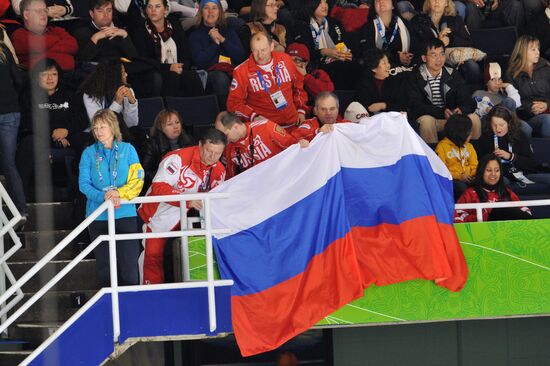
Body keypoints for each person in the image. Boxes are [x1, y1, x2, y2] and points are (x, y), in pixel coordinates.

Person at [138, 128, 227, 284]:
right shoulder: (177, 158)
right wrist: (186, 199)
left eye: (217, 154)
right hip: (158, 213)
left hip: (190, 217)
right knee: (153, 255)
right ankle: (151, 294)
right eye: (208, 151)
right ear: (200, 145)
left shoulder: (219, 170)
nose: (212, 157)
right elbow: (159, 187)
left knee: (193, 254)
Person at [79, 109, 144, 286]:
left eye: (102, 126)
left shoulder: (128, 149)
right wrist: (104, 196)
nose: (98, 131)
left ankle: (130, 308)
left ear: (112, 127)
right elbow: (83, 184)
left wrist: (118, 193)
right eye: (95, 127)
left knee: (129, 268)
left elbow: (138, 180)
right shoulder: (89, 153)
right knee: (105, 268)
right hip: (98, 215)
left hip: (124, 214)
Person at [16, 58, 83, 202]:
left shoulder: (70, 93)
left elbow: (81, 119)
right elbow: (27, 121)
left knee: (87, 141)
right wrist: (55, 135)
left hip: (67, 135)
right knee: (28, 143)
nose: (50, 78)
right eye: (44, 74)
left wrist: (66, 131)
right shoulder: (29, 95)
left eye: (54, 74)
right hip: (39, 137)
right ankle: (21, 197)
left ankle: (82, 193)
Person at [407, 38, 480, 144]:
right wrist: (441, 112)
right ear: (424, 58)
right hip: (434, 120)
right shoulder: (415, 76)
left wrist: (461, 109)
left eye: (442, 54)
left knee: (474, 118)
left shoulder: (453, 74)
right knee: (426, 121)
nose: (439, 59)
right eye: (434, 55)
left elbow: (468, 100)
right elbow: (415, 106)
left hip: (453, 119)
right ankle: (434, 157)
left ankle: (474, 155)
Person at [227, 32, 307, 126]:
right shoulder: (241, 71)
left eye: (263, 50)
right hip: (266, 127)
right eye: (255, 51)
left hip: (293, 122)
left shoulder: (285, 59)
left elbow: (298, 86)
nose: (260, 55)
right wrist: (253, 116)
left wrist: (301, 110)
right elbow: (234, 104)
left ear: (272, 47)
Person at [129, 0, 205, 98]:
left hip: (178, 67)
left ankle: (199, 109)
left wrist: (180, 67)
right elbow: (145, 61)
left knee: (192, 76)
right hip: (155, 71)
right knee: (172, 77)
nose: (153, 10)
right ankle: (169, 112)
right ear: (146, 11)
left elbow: (185, 52)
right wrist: (168, 67)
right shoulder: (140, 31)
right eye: (150, 7)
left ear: (165, 10)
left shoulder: (175, 24)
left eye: (157, 6)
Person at [189, 0, 246, 109]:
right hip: (209, 74)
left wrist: (222, 39)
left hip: (231, 70)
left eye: (214, 8)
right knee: (220, 78)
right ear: (201, 12)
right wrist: (215, 43)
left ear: (219, 12)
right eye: (206, 8)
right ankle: (227, 115)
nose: (210, 11)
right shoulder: (195, 35)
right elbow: (199, 61)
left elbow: (240, 56)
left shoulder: (229, 32)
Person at [474, 106, 550, 188]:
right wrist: (492, 159)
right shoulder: (485, 138)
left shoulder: (519, 135)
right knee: (499, 180)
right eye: (494, 125)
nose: (498, 129)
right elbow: (479, 163)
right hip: (500, 176)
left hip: (522, 174)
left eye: (501, 125)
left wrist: (510, 156)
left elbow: (531, 163)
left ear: (509, 123)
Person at [408, 0, 481, 83]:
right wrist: (437, 41)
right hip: (429, 60)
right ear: (428, 2)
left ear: (446, 3)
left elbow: (468, 42)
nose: (437, 1)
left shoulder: (455, 20)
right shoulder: (417, 21)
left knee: (472, 66)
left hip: (454, 60)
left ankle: (474, 92)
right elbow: (415, 47)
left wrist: (450, 40)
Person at [292, 0, 358, 90]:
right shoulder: (302, 25)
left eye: (325, 2)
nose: (324, 6)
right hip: (316, 65)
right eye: (320, 3)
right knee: (340, 69)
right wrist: (322, 52)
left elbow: (344, 43)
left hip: (338, 61)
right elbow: (303, 51)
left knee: (353, 65)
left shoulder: (334, 23)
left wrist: (347, 53)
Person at [77, 58, 140, 151]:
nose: (126, 75)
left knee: (138, 132)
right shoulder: (90, 94)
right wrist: (117, 103)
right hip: (96, 134)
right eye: (122, 73)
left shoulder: (127, 89)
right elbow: (99, 123)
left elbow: (131, 125)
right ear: (113, 77)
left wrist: (131, 102)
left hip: (120, 132)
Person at [214, 111, 299, 177]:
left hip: (283, 174)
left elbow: (293, 146)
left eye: (226, 135)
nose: (225, 140)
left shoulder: (266, 127)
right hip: (258, 188)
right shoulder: (228, 147)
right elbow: (230, 177)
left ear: (235, 127)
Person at [454, 153, 532, 223]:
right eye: (488, 170)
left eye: (497, 170)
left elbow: (525, 211)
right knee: (499, 209)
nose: (493, 174)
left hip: (508, 233)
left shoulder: (506, 191)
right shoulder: (470, 193)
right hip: (482, 233)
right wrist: (484, 216)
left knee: (503, 208)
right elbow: (458, 218)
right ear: (481, 171)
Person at [0, 39, 28, 220]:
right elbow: (19, 80)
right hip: (10, 110)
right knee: (9, 165)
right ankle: (21, 211)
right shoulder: (3, 49)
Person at [11, 0, 78, 71]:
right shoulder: (18, 35)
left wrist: (43, 53)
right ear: (26, 15)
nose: (44, 14)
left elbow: (74, 45)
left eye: (45, 10)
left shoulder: (56, 30)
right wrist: (61, 48)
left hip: (70, 76)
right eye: (39, 11)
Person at [140, 108, 194, 193]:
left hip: (186, 186)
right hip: (160, 189)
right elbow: (143, 172)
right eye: (170, 124)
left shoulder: (189, 141)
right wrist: (166, 176)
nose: (175, 126)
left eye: (177, 122)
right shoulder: (152, 144)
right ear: (161, 127)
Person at [506, 35, 550, 138]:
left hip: (547, 111)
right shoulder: (512, 74)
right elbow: (513, 101)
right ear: (522, 51)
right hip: (527, 117)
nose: (537, 52)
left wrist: (547, 104)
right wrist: (530, 107)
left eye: (538, 49)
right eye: (533, 49)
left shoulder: (546, 68)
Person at [73, 0, 138, 63]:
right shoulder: (82, 33)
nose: (105, 15)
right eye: (100, 11)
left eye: (109, 10)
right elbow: (81, 61)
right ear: (92, 14)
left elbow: (135, 60)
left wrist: (125, 36)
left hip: (121, 70)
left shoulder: (121, 29)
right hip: (95, 72)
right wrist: (95, 38)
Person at [359, 0, 414, 68]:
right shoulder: (368, 28)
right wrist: (396, 57)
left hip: (405, 69)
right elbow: (368, 54)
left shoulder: (405, 25)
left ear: (393, 5)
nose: (381, 1)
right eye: (377, 1)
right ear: (374, 7)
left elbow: (415, 47)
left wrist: (408, 57)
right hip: (380, 71)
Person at [435, 115, 478, 200]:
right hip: (453, 180)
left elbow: (475, 164)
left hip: (469, 178)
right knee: (461, 188)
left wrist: (473, 175)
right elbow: (441, 171)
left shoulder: (469, 146)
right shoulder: (442, 147)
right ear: (460, 134)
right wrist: (459, 176)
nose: (471, 134)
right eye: (468, 132)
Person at [355, 48, 407, 116]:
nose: (388, 66)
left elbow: (402, 105)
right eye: (384, 63)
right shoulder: (364, 84)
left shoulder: (395, 81)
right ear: (373, 68)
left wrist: (384, 105)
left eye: (388, 62)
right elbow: (363, 107)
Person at [285, 42, 334, 111]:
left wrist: (306, 77)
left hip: (315, 114)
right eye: (289, 60)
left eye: (297, 60)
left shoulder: (317, 74)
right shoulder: (281, 76)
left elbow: (326, 95)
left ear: (306, 62)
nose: (293, 64)